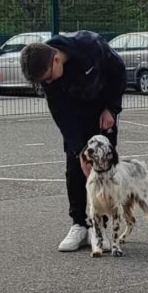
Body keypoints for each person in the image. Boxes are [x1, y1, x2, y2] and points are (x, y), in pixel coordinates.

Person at [20, 31, 127, 251]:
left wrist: (111, 108)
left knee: (103, 168)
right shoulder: (46, 74)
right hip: (75, 114)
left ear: (56, 59)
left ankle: (99, 227)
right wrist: (79, 151)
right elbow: (62, 115)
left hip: (101, 110)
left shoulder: (91, 46)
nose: (47, 82)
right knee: (73, 166)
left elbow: (118, 72)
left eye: (48, 77)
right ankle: (79, 223)